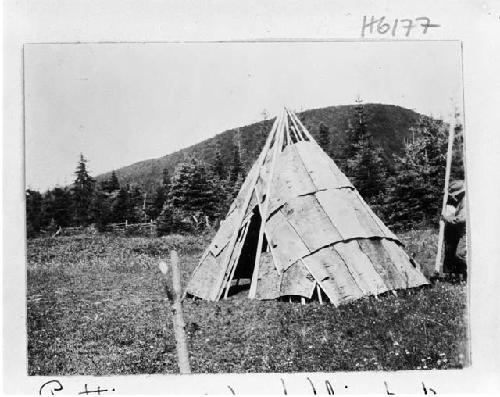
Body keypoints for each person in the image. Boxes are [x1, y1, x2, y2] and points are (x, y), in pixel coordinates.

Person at [441, 180, 467, 282]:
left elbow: (460, 219)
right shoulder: (460, 202)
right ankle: (459, 276)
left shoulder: (465, 201)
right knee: (453, 253)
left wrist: (446, 218)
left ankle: (466, 276)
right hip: (460, 233)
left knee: (461, 255)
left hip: (465, 235)